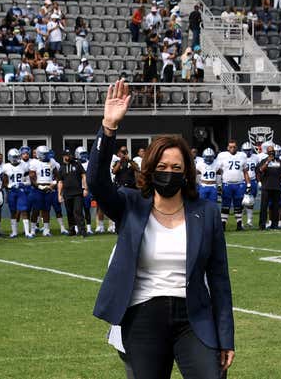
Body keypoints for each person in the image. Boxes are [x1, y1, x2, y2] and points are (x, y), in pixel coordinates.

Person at [89, 79, 235, 379]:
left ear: (187, 173)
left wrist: (226, 337)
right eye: (163, 167)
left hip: (194, 317)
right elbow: (96, 183)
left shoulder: (205, 213)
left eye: (177, 168)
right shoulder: (130, 205)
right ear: (151, 168)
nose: (169, 173)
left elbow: (219, 281)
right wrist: (108, 128)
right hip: (143, 314)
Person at [216, 140, 252, 231]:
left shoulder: (242, 155)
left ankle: (239, 225)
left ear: (237, 147)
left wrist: (248, 184)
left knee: (238, 205)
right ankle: (223, 225)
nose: (232, 148)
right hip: (227, 184)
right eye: (230, 147)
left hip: (239, 184)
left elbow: (245, 172)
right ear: (227, 147)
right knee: (225, 205)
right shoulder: (222, 156)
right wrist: (219, 184)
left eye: (234, 146)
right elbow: (218, 172)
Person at [3, 148, 33, 238]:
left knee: (24, 210)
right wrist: (9, 186)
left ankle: (27, 232)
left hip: (21, 191)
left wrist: (21, 184)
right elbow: (4, 182)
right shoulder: (5, 167)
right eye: (13, 157)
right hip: (11, 191)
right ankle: (14, 232)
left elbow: (29, 182)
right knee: (13, 212)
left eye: (16, 156)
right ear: (9, 157)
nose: (15, 158)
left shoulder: (24, 165)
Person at [57, 149, 88, 236]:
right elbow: (60, 182)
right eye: (67, 155)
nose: (69, 156)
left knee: (78, 211)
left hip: (77, 193)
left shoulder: (77, 164)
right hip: (67, 193)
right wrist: (59, 195)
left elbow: (83, 176)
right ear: (64, 156)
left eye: (70, 155)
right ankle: (72, 230)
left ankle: (82, 230)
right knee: (69, 212)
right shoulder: (62, 167)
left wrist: (85, 188)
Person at [29, 146, 58, 236]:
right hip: (38, 189)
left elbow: (57, 174)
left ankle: (46, 230)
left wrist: (54, 183)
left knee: (46, 210)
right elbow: (32, 178)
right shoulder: (34, 162)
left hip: (49, 188)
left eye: (46, 154)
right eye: (44, 154)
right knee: (36, 210)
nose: (46, 156)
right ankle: (33, 230)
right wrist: (40, 187)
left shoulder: (52, 161)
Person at [258, 146, 281, 229]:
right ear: (267, 152)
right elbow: (260, 170)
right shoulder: (264, 160)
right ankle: (262, 225)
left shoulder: (279, 161)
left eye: (272, 151)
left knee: (275, 207)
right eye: (270, 151)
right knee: (264, 206)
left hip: (276, 187)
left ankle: (275, 224)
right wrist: (267, 162)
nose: (271, 152)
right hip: (266, 187)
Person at [241, 142, 260, 227]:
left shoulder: (256, 157)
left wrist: (258, 181)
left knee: (251, 202)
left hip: (252, 181)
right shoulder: (239, 157)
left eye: (249, 150)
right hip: (242, 181)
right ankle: (240, 222)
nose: (247, 152)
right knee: (240, 201)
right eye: (245, 150)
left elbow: (258, 170)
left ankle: (249, 221)